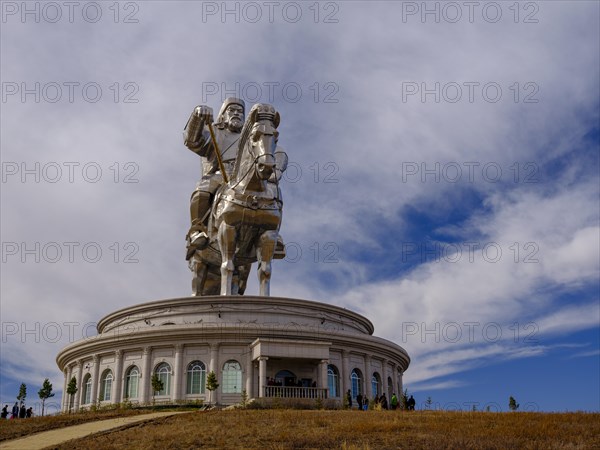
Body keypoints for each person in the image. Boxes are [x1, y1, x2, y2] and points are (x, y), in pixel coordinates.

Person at [183, 98, 246, 257]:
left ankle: (271, 232)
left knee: (270, 193)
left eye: (240, 111)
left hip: (245, 176)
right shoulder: (216, 131)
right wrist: (197, 116)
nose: (237, 113)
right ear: (223, 115)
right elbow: (192, 141)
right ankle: (196, 230)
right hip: (221, 174)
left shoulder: (251, 136)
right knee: (203, 188)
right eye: (232, 110)